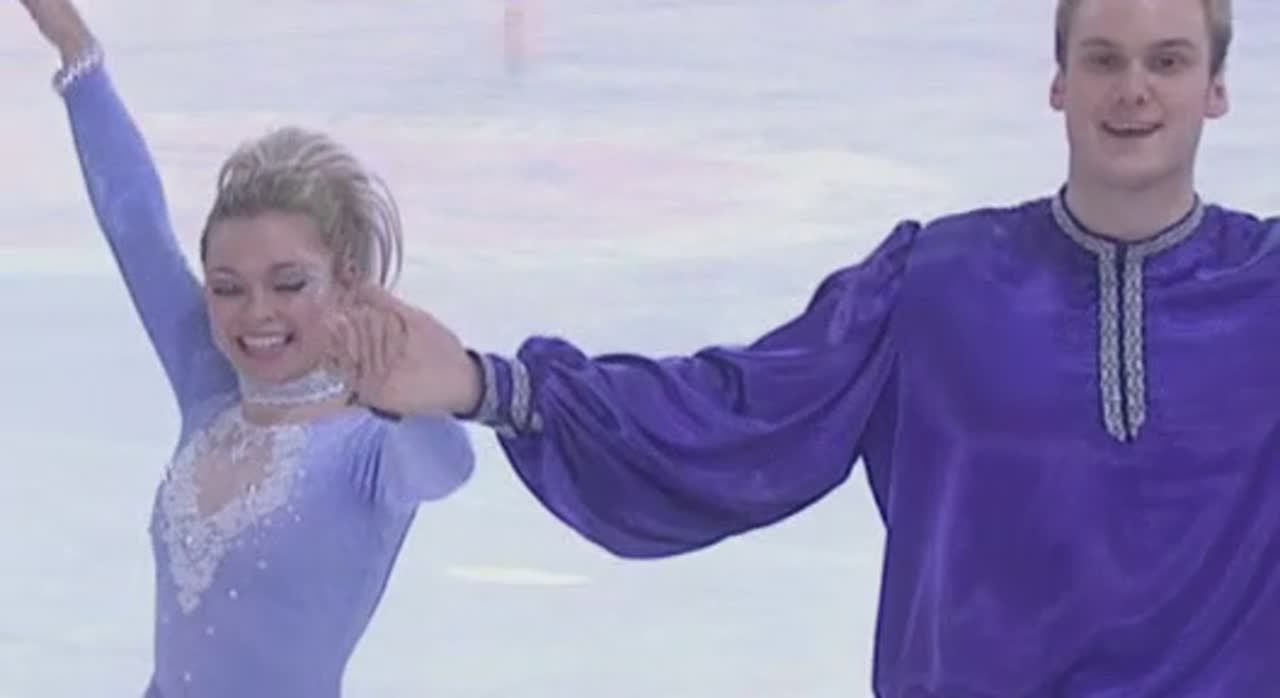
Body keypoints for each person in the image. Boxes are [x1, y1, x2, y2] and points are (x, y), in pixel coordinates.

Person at [346, 0, 1278, 695]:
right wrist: (488, 385)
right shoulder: (937, 283)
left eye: (1167, 61)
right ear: (1059, 83)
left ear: (1216, 89)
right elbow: (737, 415)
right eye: (1104, 59)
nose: (1133, 89)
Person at [19, 1, 475, 696]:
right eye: (227, 287)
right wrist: (74, 46)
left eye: (288, 283)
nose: (256, 313)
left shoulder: (372, 448)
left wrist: (402, 388)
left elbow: (449, 463)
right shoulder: (212, 388)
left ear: (347, 280)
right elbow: (136, 224)